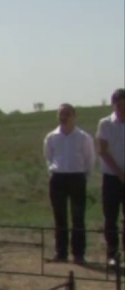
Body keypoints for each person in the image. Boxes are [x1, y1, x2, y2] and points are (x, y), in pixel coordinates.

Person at [43, 103, 96, 265]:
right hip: (58, 178)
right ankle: (61, 252)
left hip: (77, 178)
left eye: (66, 114)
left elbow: (90, 158)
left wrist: (84, 175)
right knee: (60, 217)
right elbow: (48, 157)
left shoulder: (83, 137)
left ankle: (79, 254)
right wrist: (53, 172)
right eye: (60, 114)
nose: (63, 117)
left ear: (74, 116)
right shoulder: (52, 137)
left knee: (78, 217)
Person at [96, 88, 125, 270]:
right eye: (119, 105)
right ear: (113, 104)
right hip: (111, 177)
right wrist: (120, 173)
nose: (122, 108)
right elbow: (103, 151)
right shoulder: (105, 124)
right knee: (111, 217)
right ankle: (112, 254)